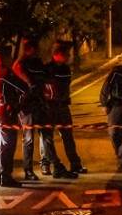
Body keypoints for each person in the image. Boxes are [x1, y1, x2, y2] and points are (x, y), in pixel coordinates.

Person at [12, 37, 76, 180]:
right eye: (34, 49)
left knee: (47, 137)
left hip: (40, 104)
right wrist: (31, 84)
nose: (37, 52)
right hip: (27, 106)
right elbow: (22, 77)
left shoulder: (38, 63)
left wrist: (48, 91)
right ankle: (28, 171)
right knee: (29, 139)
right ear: (29, 49)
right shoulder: (21, 64)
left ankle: (56, 167)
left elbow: (46, 79)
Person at [44, 41, 85, 174]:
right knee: (47, 138)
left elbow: (65, 86)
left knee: (68, 136)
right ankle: (52, 164)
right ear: (57, 54)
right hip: (50, 107)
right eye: (66, 54)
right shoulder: (47, 69)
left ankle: (75, 164)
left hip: (63, 106)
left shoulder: (66, 69)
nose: (69, 56)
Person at [0, 45, 27, 187]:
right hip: (8, 112)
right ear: (6, 57)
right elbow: (23, 87)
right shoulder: (6, 73)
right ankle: (6, 176)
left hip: (0, 110)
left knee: (2, 145)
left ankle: (0, 175)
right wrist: (18, 105)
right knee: (9, 146)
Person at [98, 48, 122, 171]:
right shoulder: (117, 71)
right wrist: (104, 104)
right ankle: (120, 156)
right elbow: (106, 87)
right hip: (116, 105)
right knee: (114, 132)